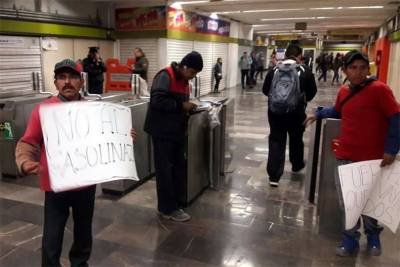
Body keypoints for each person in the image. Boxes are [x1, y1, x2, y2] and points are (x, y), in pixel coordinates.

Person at [15, 59, 137, 267]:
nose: (67, 82)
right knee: (52, 236)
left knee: (83, 232)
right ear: (55, 83)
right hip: (56, 185)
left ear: (81, 82)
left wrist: (123, 136)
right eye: (62, 78)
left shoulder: (94, 109)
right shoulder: (43, 111)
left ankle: (80, 263)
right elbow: (28, 141)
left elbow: (105, 136)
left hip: (85, 184)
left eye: (72, 77)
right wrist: (25, 161)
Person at [304, 50, 400, 257]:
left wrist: (391, 150)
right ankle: (350, 240)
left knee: (369, 201)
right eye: (353, 68)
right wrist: (318, 114)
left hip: (373, 158)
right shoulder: (344, 91)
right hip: (345, 155)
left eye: (362, 68)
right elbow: (338, 111)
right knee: (348, 202)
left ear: (368, 69)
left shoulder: (380, 90)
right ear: (345, 70)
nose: (358, 72)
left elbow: (396, 118)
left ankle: (373, 237)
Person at [144, 51, 203, 222]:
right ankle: (166, 209)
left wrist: (188, 108)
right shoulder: (165, 75)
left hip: (176, 131)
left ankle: (175, 203)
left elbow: (178, 104)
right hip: (161, 132)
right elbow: (157, 101)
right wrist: (181, 105)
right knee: (165, 171)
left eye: (195, 74)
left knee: (178, 167)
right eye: (191, 72)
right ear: (184, 66)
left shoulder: (184, 80)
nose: (192, 77)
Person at [262, 44, 317, 187]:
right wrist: (298, 99)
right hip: (296, 112)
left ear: (286, 54)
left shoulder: (274, 70)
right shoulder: (305, 70)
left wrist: (279, 99)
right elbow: (312, 92)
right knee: (296, 139)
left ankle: (274, 176)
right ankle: (297, 165)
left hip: (275, 113)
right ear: (299, 56)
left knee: (276, 140)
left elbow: (265, 90)